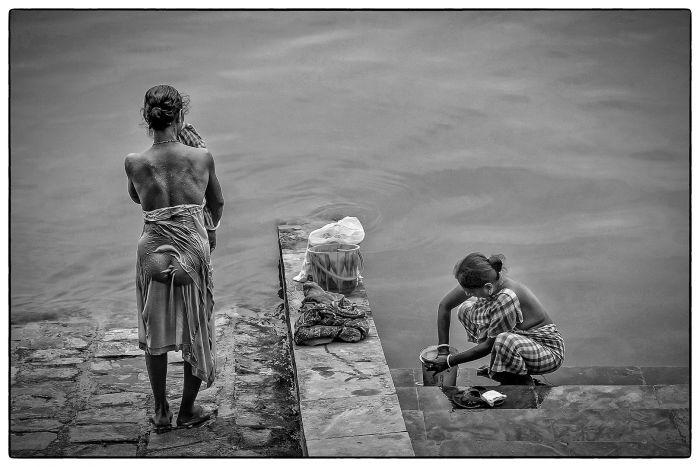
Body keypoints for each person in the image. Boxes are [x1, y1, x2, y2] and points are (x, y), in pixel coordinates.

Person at [124, 85, 224, 430]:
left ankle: (161, 412)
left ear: (147, 118)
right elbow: (217, 202)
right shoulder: (201, 157)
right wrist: (208, 228)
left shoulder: (134, 162)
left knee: (155, 331)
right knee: (197, 328)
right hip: (191, 252)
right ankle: (187, 411)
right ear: (180, 116)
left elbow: (138, 198)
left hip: (152, 249)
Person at [427, 253, 564, 384]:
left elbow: (488, 346)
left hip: (547, 351)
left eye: (472, 292)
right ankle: (504, 365)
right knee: (465, 309)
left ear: (488, 287)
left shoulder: (506, 297)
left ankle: (522, 380)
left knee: (504, 340)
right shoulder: (484, 279)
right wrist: (443, 351)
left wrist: (449, 361)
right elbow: (445, 306)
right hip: (519, 338)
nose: (467, 294)